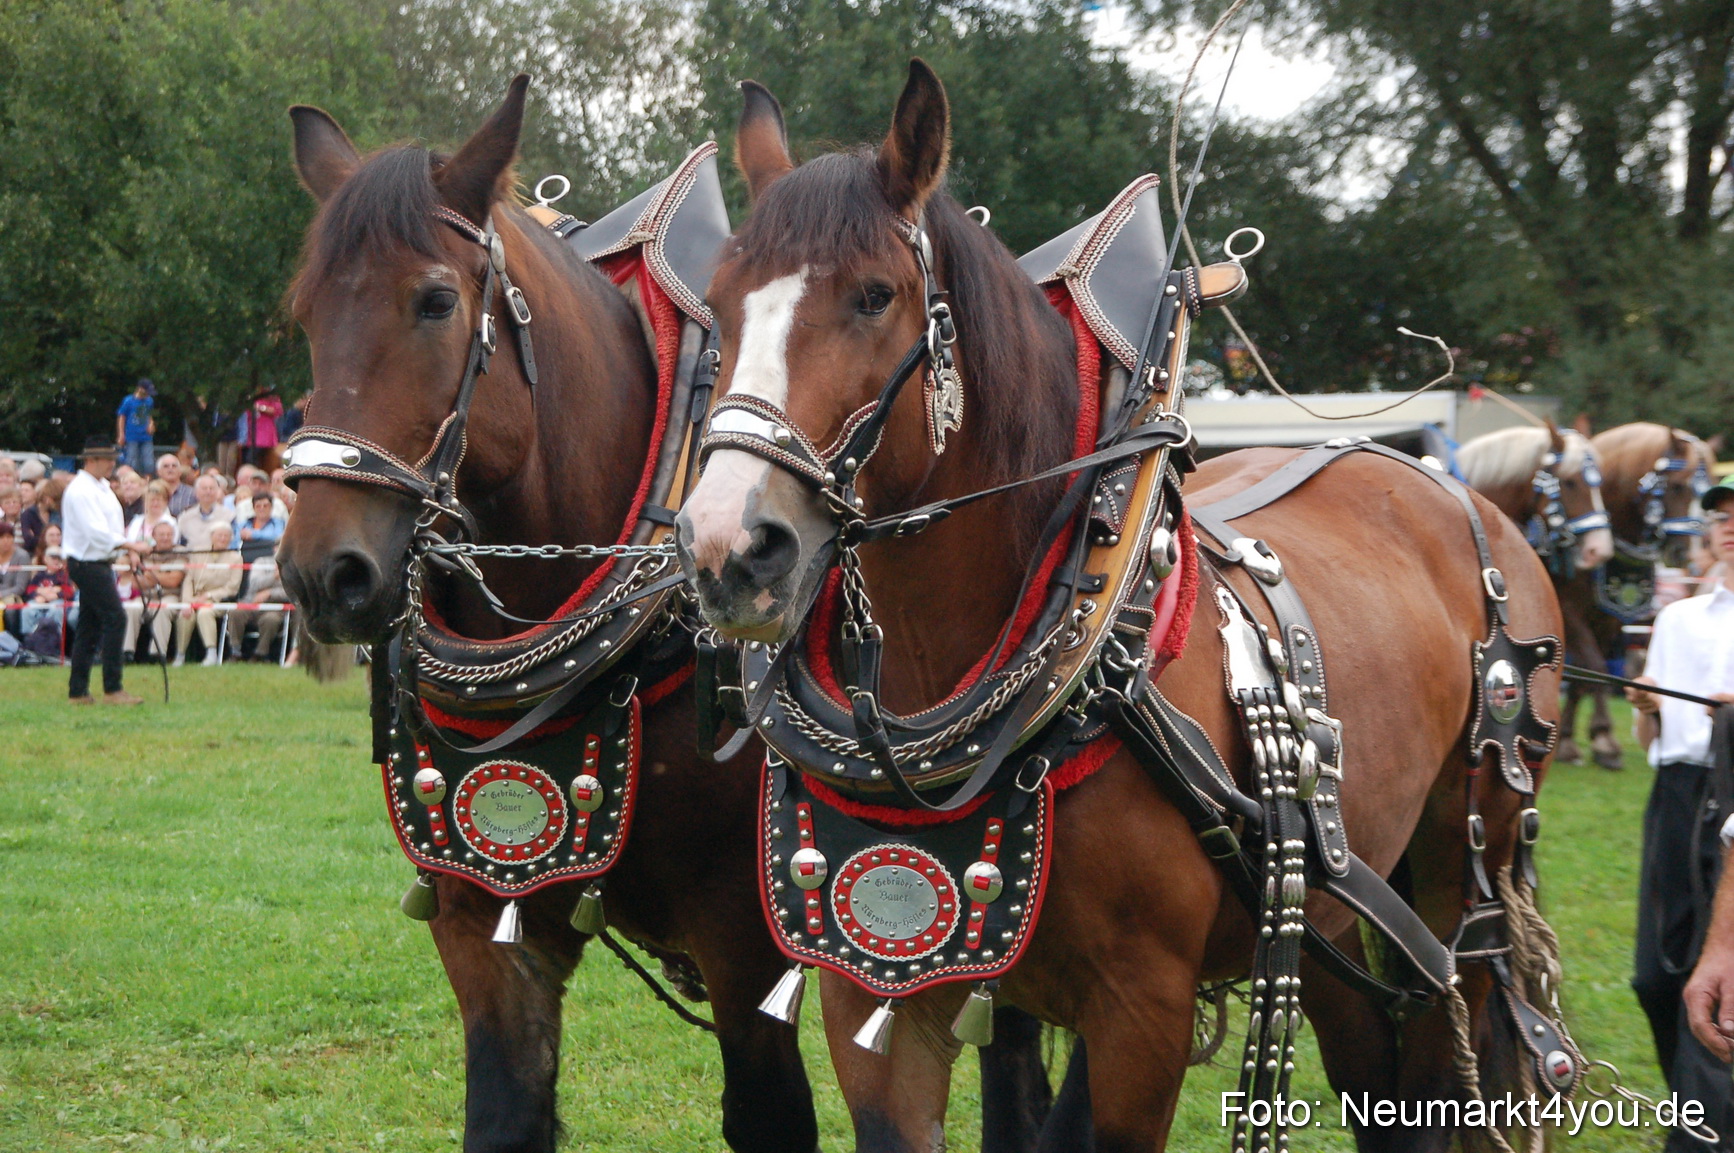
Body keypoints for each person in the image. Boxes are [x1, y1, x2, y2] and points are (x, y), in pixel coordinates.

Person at [1624, 478, 1734, 1150]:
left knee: (1716, 973)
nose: (1730, 525)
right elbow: (1655, 742)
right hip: (1677, 793)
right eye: (1722, 515)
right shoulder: (1679, 619)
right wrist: (1648, 708)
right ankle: (1696, 1106)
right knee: (1655, 975)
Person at [61, 435, 151, 704]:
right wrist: (130, 544)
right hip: (86, 563)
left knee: (89, 626)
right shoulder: (80, 490)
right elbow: (95, 532)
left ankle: (78, 692)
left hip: (100, 562)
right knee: (116, 618)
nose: (113, 464)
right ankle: (113, 688)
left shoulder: (102, 487)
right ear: (92, 460)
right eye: (108, 459)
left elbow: (111, 529)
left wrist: (128, 551)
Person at [174, 523, 241, 666]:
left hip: (218, 600)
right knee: (185, 614)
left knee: (205, 612)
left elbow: (232, 587)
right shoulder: (199, 554)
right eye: (219, 535)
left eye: (226, 536)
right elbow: (189, 580)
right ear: (211, 537)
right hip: (194, 597)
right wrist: (188, 602)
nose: (222, 539)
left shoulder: (235, 558)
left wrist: (209, 595)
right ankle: (180, 654)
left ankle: (211, 654)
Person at [125, 520, 183, 661]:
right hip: (146, 595)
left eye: (169, 534)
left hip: (171, 595)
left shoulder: (181, 552)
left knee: (163, 609)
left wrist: (150, 575)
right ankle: (126, 652)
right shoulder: (145, 553)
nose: (165, 538)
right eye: (162, 534)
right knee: (131, 608)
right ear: (153, 536)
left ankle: (157, 654)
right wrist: (163, 576)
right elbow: (136, 583)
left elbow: (174, 581)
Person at [228, 551, 288, 661]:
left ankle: (260, 654)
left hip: (275, 607)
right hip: (251, 602)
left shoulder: (293, 566)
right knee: (236, 612)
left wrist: (269, 593)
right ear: (274, 549)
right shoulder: (261, 562)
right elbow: (254, 584)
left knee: (271, 619)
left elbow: (291, 592)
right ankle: (235, 652)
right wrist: (274, 576)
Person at [20, 545, 77, 645]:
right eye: (53, 557)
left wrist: (57, 594)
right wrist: (39, 593)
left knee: (57, 609)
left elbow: (69, 592)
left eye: (59, 558)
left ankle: (55, 640)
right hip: (40, 601)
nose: (56, 561)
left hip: (57, 602)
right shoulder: (40, 575)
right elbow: (29, 589)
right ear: (45, 559)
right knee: (27, 609)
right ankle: (29, 639)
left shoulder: (63, 575)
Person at [176, 474, 230, 555]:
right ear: (196, 492)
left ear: (217, 492)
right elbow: (180, 543)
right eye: (204, 488)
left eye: (211, 488)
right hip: (192, 559)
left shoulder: (229, 516)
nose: (208, 492)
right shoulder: (185, 518)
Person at [116, 378, 156, 474]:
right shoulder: (128, 401)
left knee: (149, 462)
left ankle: (148, 478)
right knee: (132, 461)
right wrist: (121, 434)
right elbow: (121, 417)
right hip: (132, 435)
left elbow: (148, 415)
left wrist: (151, 424)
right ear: (140, 389)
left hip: (146, 436)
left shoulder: (149, 401)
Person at [18, 473, 63, 554]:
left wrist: (38, 538)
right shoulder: (28, 514)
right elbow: (29, 541)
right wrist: (50, 540)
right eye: (55, 500)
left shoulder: (56, 514)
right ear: (46, 498)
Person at [126, 480, 176, 544]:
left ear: (165, 502)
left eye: (158, 500)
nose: (155, 503)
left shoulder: (171, 523)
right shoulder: (136, 521)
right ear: (145, 501)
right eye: (152, 500)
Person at [155, 452, 196, 516]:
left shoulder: (192, 493)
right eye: (166, 466)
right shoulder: (151, 493)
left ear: (180, 471)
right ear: (158, 472)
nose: (170, 469)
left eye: (174, 466)